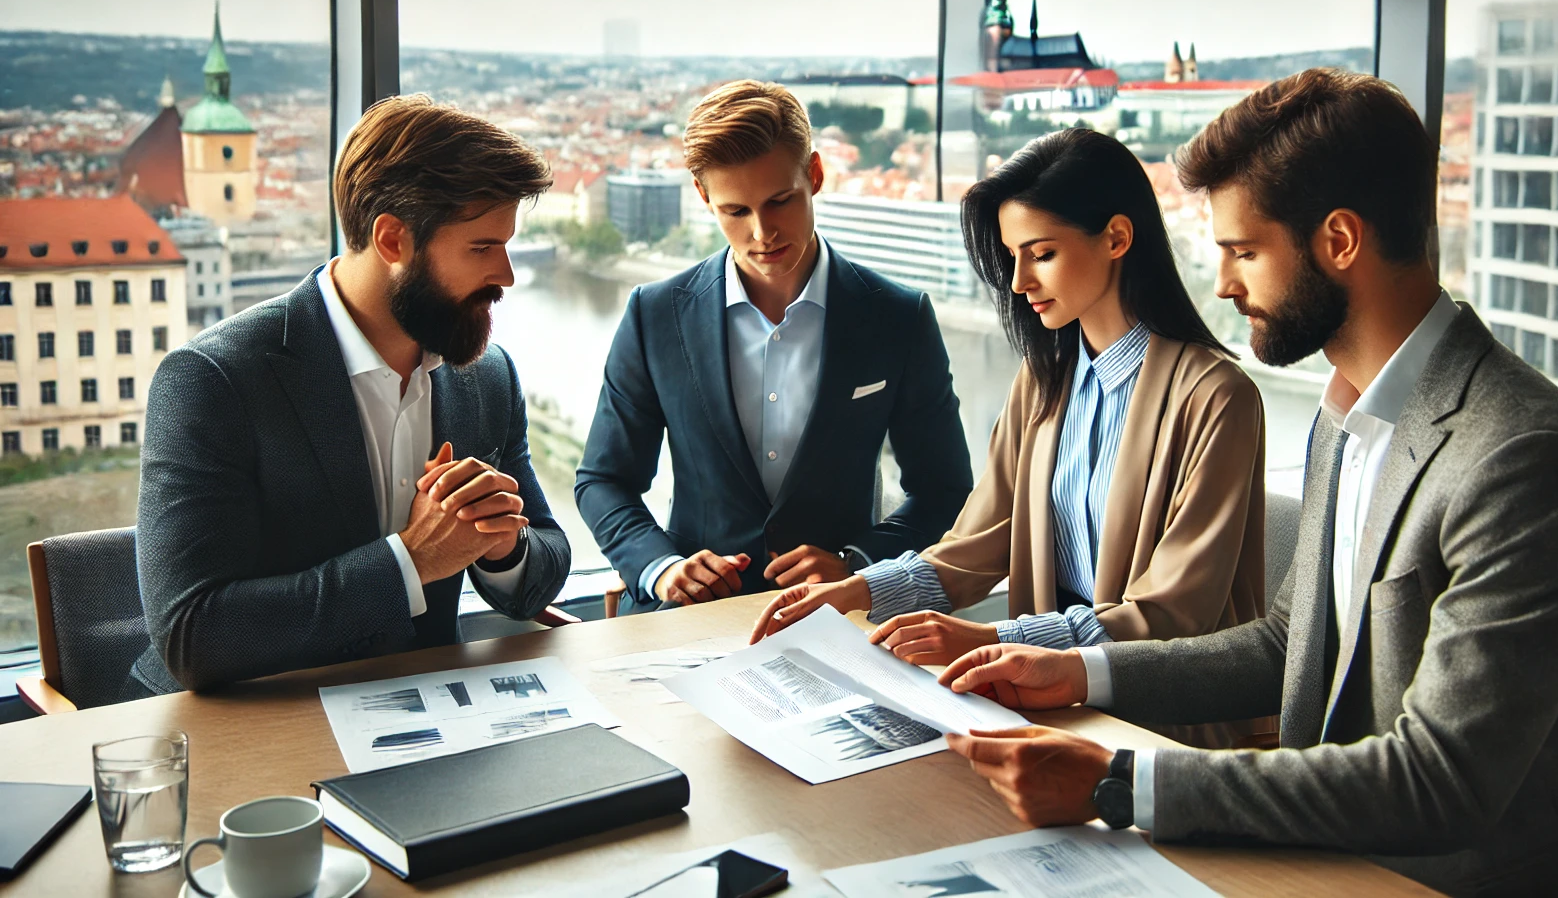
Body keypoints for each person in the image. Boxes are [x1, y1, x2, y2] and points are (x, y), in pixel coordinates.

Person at [933, 69, 1558, 898]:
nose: (1226, 284)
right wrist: (1079, 672)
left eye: (1243, 251)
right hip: (1326, 858)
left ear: (1338, 241)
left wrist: (1118, 782)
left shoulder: (1522, 460)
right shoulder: (1347, 415)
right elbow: (1290, 645)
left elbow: (1440, 782)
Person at [753, 128, 1271, 746]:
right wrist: (856, 590)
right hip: (1051, 705)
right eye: (1012, 255)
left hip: (1171, 728)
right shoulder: (1045, 380)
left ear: (1116, 238)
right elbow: (976, 547)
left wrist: (993, 638)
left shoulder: (1216, 397)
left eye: (1041, 253)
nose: (1020, 281)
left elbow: (1171, 616)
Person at [133, 95, 572, 693]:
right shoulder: (213, 381)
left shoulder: (486, 375)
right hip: (257, 721)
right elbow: (194, 635)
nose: (507, 274)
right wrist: (413, 562)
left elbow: (545, 559)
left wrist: (503, 547)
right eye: (482, 248)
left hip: (436, 715)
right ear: (393, 240)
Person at [576, 80, 973, 615]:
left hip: (843, 620)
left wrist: (858, 562)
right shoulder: (654, 315)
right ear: (702, 196)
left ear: (813, 174)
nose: (762, 232)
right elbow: (604, 481)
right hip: (688, 621)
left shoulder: (898, 317)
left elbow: (945, 489)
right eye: (735, 211)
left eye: (780, 201)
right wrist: (663, 568)